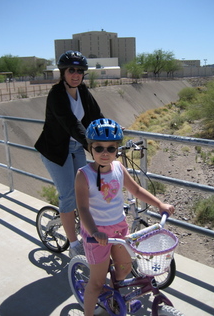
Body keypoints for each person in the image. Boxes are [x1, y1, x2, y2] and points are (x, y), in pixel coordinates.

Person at [75, 118, 175, 316]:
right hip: (96, 234)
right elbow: (83, 209)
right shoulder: (83, 175)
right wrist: (94, 232)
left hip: (119, 228)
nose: (105, 153)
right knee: (96, 282)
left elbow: (136, 190)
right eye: (99, 148)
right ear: (90, 148)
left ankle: (114, 298)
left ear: (117, 149)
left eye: (111, 149)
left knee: (123, 269)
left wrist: (160, 204)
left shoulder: (119, 169)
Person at [35, 50, 104, 258]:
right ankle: (74, 245)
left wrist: (112, 134)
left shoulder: (83, 91)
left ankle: (82, 231)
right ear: (63, 72)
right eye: (71, 70)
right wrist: (92, 145)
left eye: (80, 71)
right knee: (67, 196)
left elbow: (96, 117)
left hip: (75, 148)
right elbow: (71, 124)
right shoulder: (56, 95)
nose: (76, 74)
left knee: (83, 193)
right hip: (55, 150)